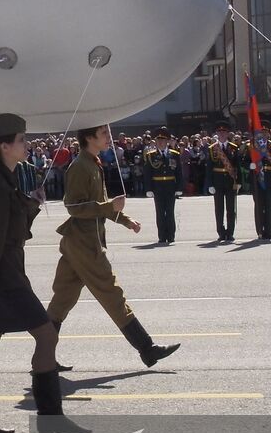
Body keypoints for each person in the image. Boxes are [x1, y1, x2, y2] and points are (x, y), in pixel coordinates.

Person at [0, 113, 85, 433]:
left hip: (8, 273)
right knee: (46, 335)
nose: (26, 145)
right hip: (6, 279)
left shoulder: (6, 180)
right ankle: (50, 419)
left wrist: (31, 205)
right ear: (5, 146)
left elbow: (12, 228)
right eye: (21, 140)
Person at [47, 126, 179, 370]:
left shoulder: (92, 163)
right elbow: (74, 207)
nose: (109, 138)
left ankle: (42, 359)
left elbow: (102, 205)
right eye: (103, 134)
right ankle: (147, 349)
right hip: (85, 244)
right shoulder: (80, 167)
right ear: (89, 138)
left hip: (81, 242)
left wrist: (125, 220)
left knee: (62, 300)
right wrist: (110, 207)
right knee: (112, 294)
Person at [143, 127, 183, 244]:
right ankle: (162, 236)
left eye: (163, 140)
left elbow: (179, 172)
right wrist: (149, 188)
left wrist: (179, 187)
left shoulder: (174, 154)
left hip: (170, 186)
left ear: (167, 141)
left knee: (170, 212)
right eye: (158, 140)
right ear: (155, 142)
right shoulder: (150, 155)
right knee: (160, 212)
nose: (160, 142)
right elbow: (147, 173)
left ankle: (171, 235)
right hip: (157, 186)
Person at [204, 122, 239, 243]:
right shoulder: (212, 148)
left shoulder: (234, 147)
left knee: (231, 209)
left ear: (228, 133)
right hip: (217, 180)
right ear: (217, 134)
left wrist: (238, 181)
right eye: (219, 132)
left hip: (230, 180)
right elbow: (208, 168)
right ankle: (221, 232)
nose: (222, 134)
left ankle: (230, 232)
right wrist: (210, 184)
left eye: (224, 132)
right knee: (219, 209)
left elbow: (237, 166)